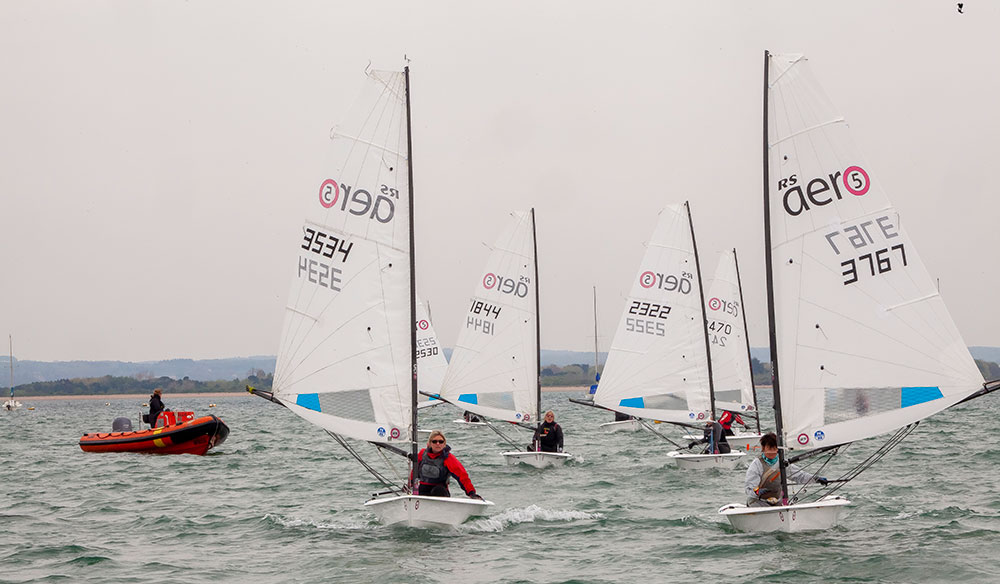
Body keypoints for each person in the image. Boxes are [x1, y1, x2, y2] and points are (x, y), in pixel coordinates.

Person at [744, 432, 828, 507]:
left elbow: (799, 476)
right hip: (758, 502)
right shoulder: (757, 464)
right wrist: (757, 492)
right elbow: (749, 487)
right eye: (769, 449)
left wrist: (816, 479)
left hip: (776, 502)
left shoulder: (782, 462)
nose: (772, 452)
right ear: (763, 449)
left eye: (774, 449)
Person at [411, 430, 482, 499]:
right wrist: (410, 484)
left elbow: (461, 475)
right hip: (423, 490)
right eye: (434, 441)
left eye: (440, 441)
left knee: (438, 490)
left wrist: (471, 493)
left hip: (440, 492)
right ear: (429, 443)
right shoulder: (422, 454)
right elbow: (414, 471)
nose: (437, 444)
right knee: (419, 491)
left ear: (444, 444)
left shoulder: (448, 458)